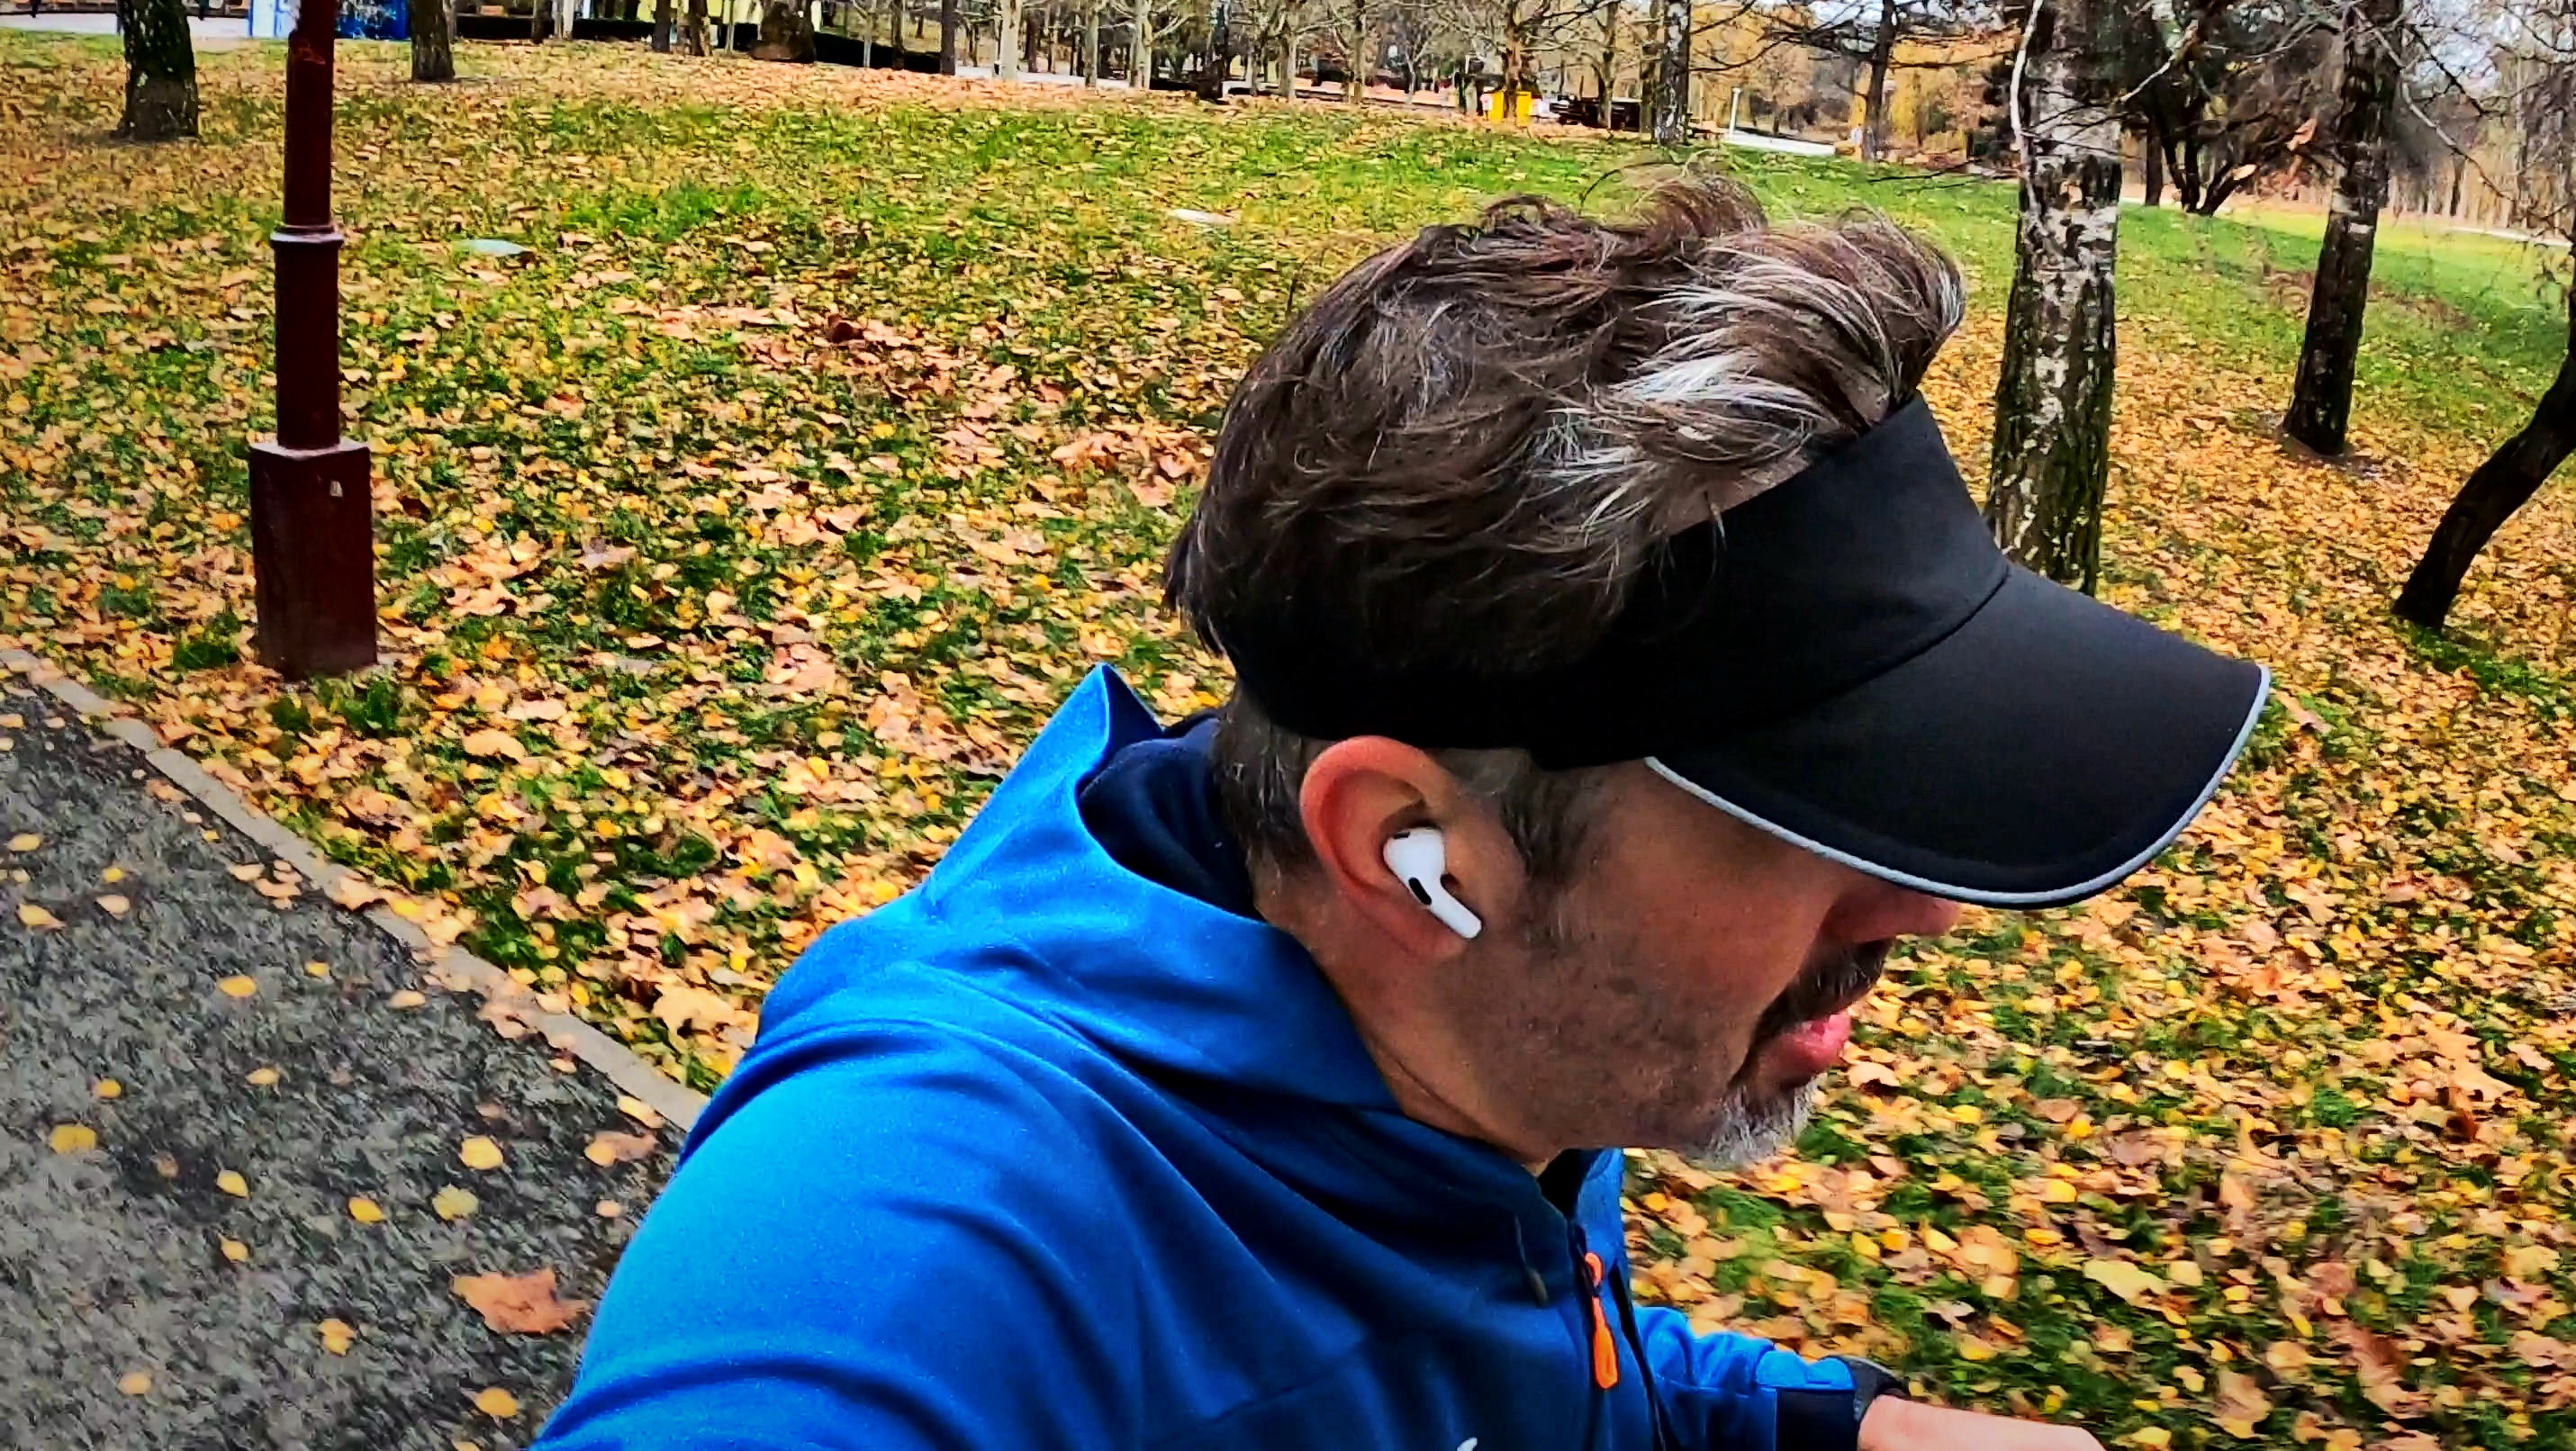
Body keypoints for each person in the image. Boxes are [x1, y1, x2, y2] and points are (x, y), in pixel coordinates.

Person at [538, 178, 2271, 1451]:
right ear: (1404, 850)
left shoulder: (1479, 1032)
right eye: (1815, 814)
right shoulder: (924, 1238)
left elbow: (1492, 1355)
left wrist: (1837, 1431)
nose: (1931, 908)